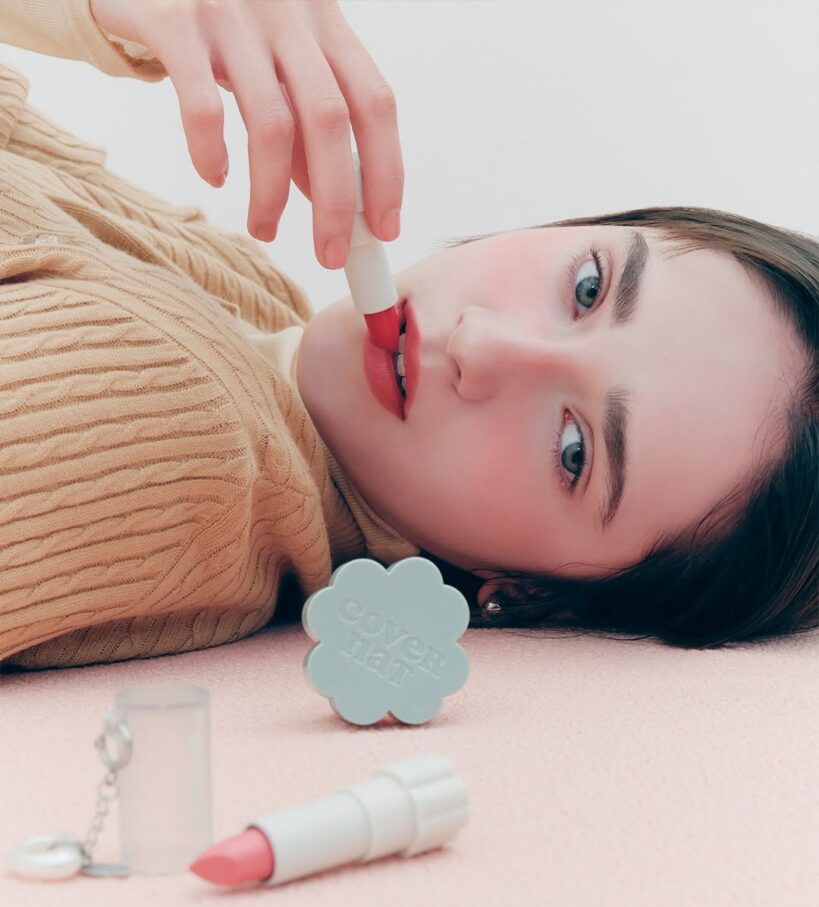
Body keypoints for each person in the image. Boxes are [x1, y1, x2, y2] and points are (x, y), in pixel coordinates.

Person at [0, 3, 815, 674]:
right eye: (587, 286)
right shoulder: (252, 297)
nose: (481, 346)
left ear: (527, 594)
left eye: (574, 452)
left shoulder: (176, 426)